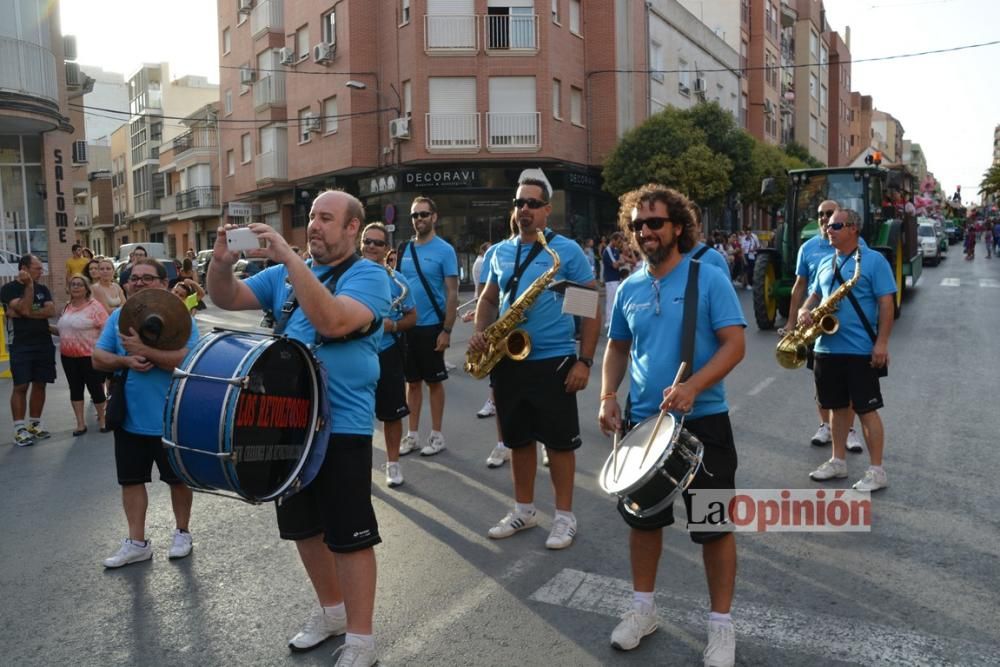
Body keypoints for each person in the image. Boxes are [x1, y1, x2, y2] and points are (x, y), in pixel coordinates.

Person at [208, 190, 388, 666]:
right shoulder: (285, 275)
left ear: (352, 228)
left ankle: (361, 640)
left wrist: (289, 257)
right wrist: (222, 263)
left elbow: (331, 321)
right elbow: (224, 297)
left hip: (342, 425)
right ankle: (331, 613)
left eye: (326, 218)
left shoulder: (369, 275)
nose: (314, 225)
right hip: (288, 423)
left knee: (349, 535)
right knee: (304, 528)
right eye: (311, 217)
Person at [599, 184, 746, 665]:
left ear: (677, 226)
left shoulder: (708, 276)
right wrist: (607, 396)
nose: (646, 231)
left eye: (655, 222)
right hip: (645, 425)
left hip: (702, 422)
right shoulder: (631, 287)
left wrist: (694, 386)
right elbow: (618, 347)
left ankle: (721, 627)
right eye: (638, 224)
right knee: (644, 523)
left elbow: (734, 345)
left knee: (713, 526)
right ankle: (644, 610)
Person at [469, 176, 600, 550]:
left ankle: (564, 517)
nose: (524, 209)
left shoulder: (565, 253)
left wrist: (585, 361)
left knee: (559, 444)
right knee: (518, 439)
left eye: (532, 203)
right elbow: (489, 300)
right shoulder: (499, 252)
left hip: (553, 359)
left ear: (546, 210)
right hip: (508, 359)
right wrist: (482, 332)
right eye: (519, 202)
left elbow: (589, 310)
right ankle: (524, 509)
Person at [93, 258, 200, 568]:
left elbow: (188, 359)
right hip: (129, 418)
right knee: (130, 481)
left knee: (178, 480)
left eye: (147, 278)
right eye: (133, 278)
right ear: (126, 284)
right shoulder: (118, 318)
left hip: (171, 417)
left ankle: (182, 532)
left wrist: (143, 350)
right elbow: (98, 357)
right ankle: (137, 542)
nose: (138, 282)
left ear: (163, 283)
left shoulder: (182, 318)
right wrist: (125, 361)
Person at [801, 209, 895, 491]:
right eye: (828, 226)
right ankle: (837, 461)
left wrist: (881, 343)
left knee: (866, 410)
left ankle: (877, 471)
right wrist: (806, 310)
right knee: (837, 408)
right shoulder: (825, 262)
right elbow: (815, 294)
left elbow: (886, 303)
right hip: (826, 349)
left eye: (836, 225)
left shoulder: (874, 261)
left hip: (858, 350)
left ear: (853, 228)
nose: (829, 230)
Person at [785, 201, 864, 454]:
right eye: (821, 215)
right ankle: (825, 426)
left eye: (830, 215)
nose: (824, 219)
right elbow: (800, 286)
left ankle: (849, 430)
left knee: (849, 384)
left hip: (849, 324)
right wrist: (793, 318)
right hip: (817, 322)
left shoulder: (858, 248)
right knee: (822, 382)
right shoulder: (807, 248)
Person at [396, 196, 458, 457]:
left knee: (434, 382)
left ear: (434, 217)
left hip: (432, 326)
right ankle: (412, 436)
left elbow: (452, 293)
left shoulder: (445, 250)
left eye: (423, 214)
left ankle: (437, 435)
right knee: (412, 383)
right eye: (414, 215)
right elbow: (397, 287)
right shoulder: (404, 250)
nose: (419, 219)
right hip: (407, 327)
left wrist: (447, 330)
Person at [361, 222, 417, 488]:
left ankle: (393, 464)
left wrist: (392, 325)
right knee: (356, 414)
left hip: (387, 351)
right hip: (356, 352)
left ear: (387, 249)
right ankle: (360, 466)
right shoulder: (348, 275)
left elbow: (412, 317)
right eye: (367, 241)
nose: (371, 246)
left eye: (378, 243)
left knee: (391, 413)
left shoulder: (398, 281)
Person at [1, 254, 56, 446]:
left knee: (40, 383)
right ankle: (19, 429)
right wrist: (29, 287)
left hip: (43, 342)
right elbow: (23, 309)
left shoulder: (44, 289)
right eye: (37, 268)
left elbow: (50, 311)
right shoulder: (9, 289)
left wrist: (25, 313)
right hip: (20, 344)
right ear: (24, 268)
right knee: (21, 386)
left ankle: (35, 424)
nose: (41, 272)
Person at [56, 274, 110, 435]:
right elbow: (62, 329)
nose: (76, 287)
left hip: (89, 355)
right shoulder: (66, 307)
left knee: (96, 389)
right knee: (75, 389)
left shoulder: (95, 306)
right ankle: (80, 424)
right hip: (68, 356)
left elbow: (106, 329)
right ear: (69, 288)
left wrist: (102, 349)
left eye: (80, 284)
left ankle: (102, 420)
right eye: (73, 284)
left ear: (87, 289)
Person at [602, 232, 626, 328]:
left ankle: (614, 320)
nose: (619, 243)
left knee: (617, 300)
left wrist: (619, 262)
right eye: (618, 241)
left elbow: (621, 262)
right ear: (613, 240)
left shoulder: (615, 250)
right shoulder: (607, 251)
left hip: (616, 278)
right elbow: (615, 264)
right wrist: (619, 262)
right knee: (611, 301)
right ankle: (608, 321)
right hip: (610, 279)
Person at [740, 225, 760, 290]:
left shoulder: (754, 237)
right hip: (746, 254)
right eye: (747, 232)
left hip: (752, 255)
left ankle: (751, 283)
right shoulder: (743, 239)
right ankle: (747, 283)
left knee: (752, 269)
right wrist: (744, 258)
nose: (748, 233)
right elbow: (742, 249)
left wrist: (754, 249)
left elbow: (758, 246)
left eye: (749, 231)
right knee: (746, 270)